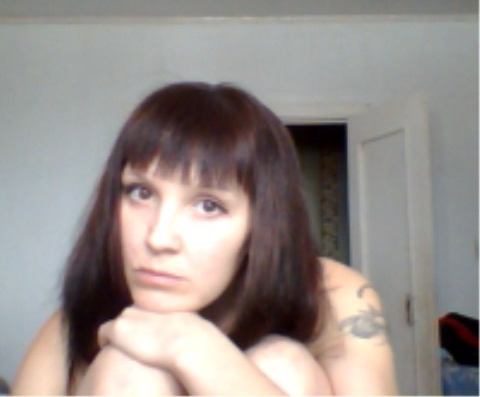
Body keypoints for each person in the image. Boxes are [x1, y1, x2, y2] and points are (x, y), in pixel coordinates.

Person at [12, 82, 397, 395]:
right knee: (129, 367)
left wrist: (191, 346)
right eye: (141, 193)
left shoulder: (333, 294)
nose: (159, 238)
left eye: (209, 206)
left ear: (262, 225)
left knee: (282, 363)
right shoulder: (74, 321)